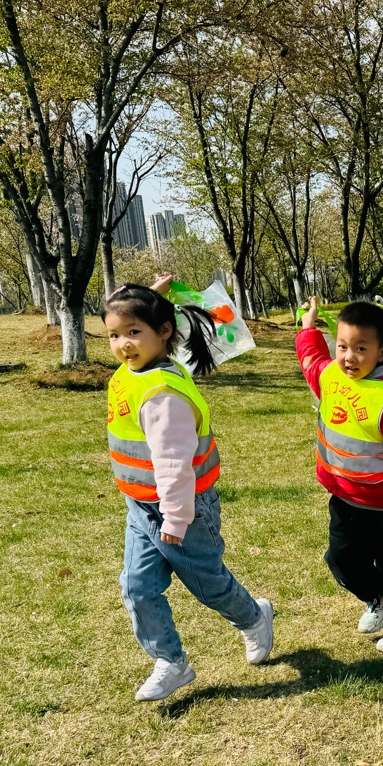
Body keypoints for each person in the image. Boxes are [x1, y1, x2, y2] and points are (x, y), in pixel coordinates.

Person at [104, 283, 274, 702]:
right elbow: (140, 320)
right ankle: (171, 661)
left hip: (181, 509)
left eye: (133, 332)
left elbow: (173, 464)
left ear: (164, 331)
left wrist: (177, 518)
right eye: (114, 334)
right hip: (140, 507)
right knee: (137, 587)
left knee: (207, 584)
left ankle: (253, 617)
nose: (123, 344)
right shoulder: (137, 369)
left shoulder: (163, 396)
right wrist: (150, 294)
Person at [296, 298, 383, 653]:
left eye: (361, 349)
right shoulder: (331, 376)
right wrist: (308, 327)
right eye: (342, 346)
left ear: (381, 352)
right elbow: (311, 359)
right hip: (343, 496)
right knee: (340, 559)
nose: (349, 357)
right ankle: (376, 597)